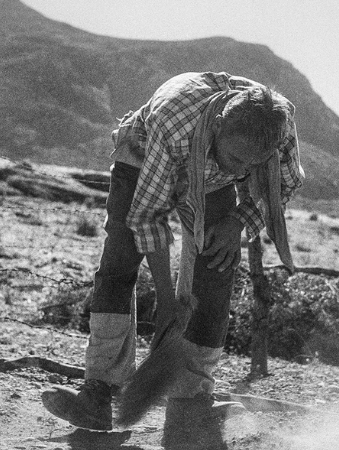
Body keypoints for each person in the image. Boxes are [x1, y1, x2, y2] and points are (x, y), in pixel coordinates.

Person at [40, 72, 302, 430]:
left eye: (252, 165)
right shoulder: (173, 122)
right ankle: (100, 391)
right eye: (237, 157)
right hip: (143, 155)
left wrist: (237, 222)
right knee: (121, 257)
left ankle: (191, 402)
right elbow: (147, 216)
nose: (243, 171)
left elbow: (285, 183)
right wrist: (166, 299)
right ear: (219, 126)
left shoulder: (279, 127)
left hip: (211, 179)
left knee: (218, 267)